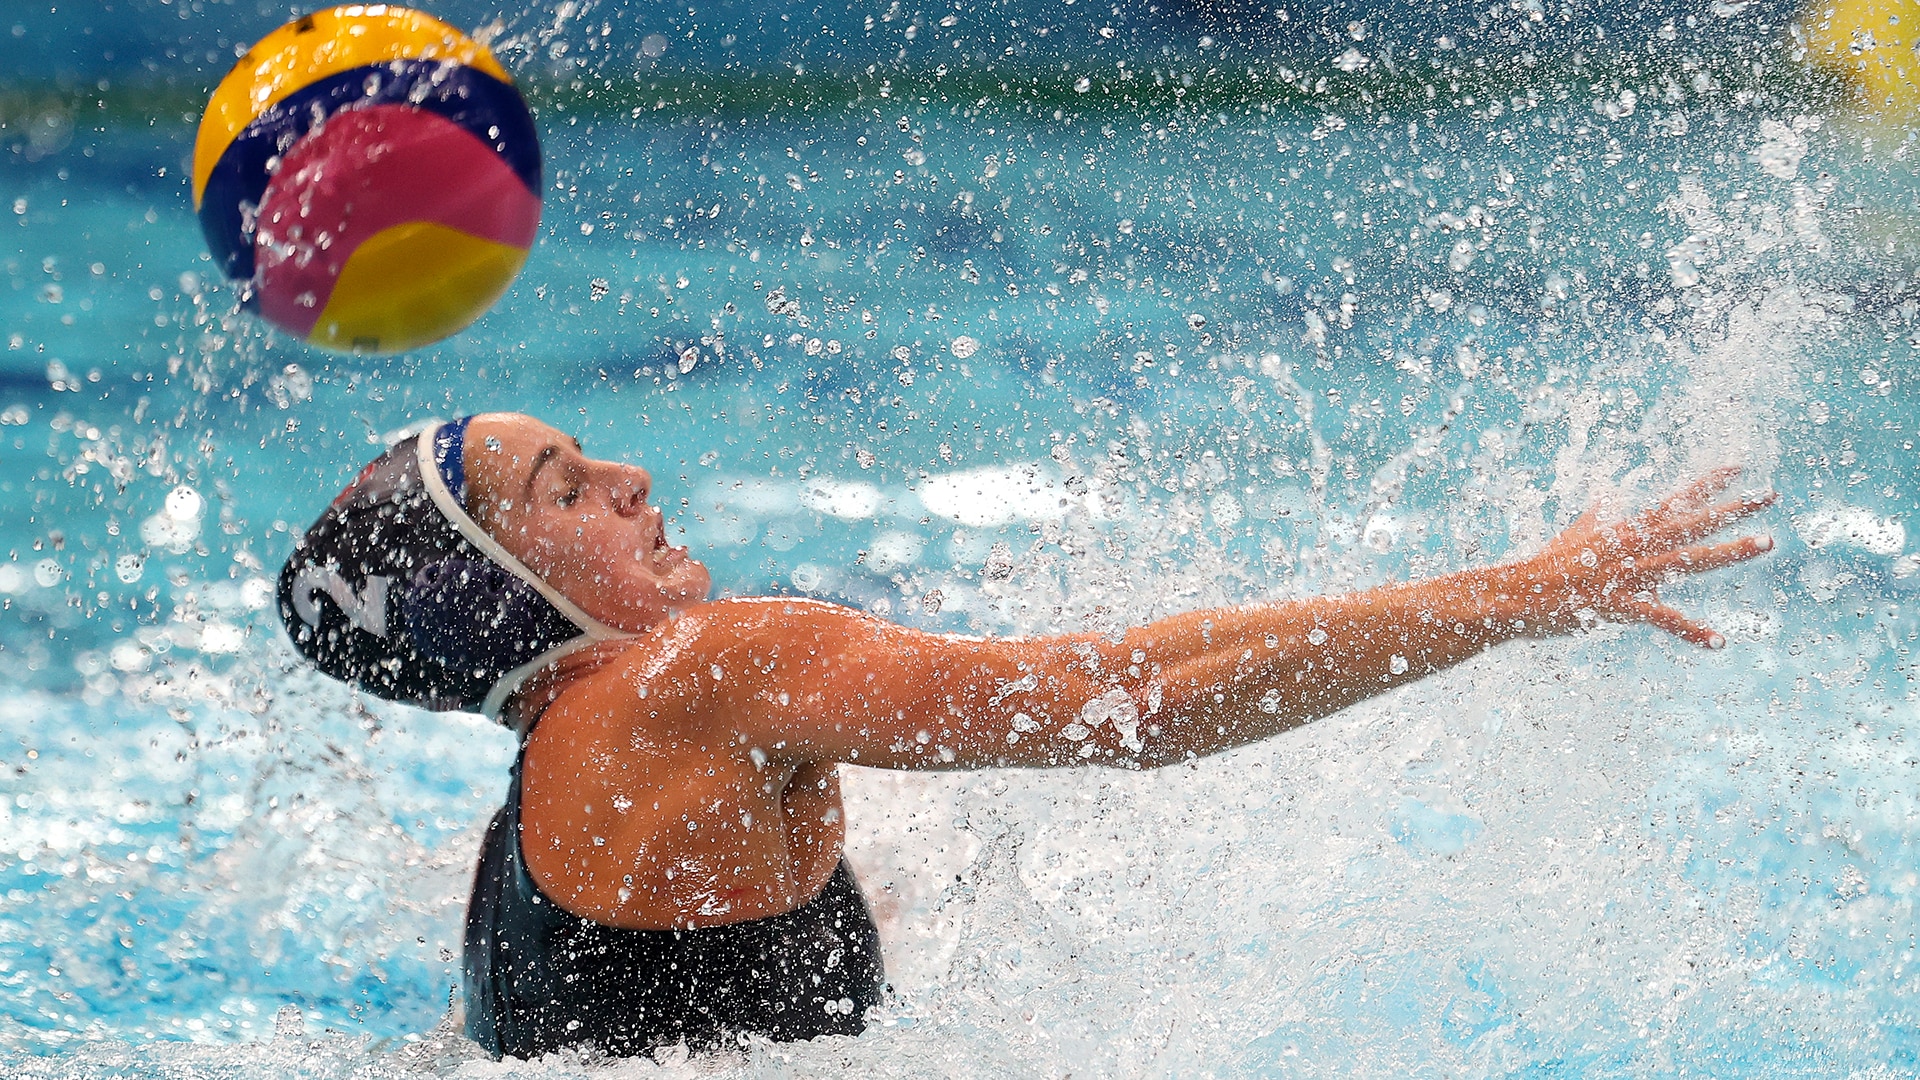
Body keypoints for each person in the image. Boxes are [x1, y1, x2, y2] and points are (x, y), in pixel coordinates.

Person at [277, 411, 1776, 1059]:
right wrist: (1513, 595)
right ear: (514, 593)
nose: (629, 474)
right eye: (563, 488)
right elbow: (1131, 706)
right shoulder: (707, 672)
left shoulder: (530, 805)